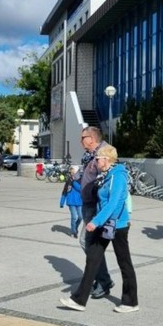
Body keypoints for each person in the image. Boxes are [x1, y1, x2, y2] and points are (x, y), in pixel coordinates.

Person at [60, 145, 138, 313]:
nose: (95, 162)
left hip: (118, 226)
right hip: (104, 225)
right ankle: (79, 300)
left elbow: (114, 203)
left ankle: (131, 302)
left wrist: (96, 221)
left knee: (124, 263)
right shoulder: (106, 175)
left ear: (106, 159)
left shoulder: (118, 176)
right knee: (92, 259)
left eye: (97, 159)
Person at [78, 126, 114, 298]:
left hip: (95, 206)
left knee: (89, 243)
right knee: (91, 244)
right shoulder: (90, 155)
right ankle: (103, 279)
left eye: (83, 138)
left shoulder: (104, 153)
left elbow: (107, 179)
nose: (81, 141)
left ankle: (104, 280)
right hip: (88, 204)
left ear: (91, 139)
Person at [59, 166, 82, 237]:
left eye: (73, 171)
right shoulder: (68, 180)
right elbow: (64, 191)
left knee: (80, 217)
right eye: (71, 172)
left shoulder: (80, 180)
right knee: (74, 217)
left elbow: (81, 189)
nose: (71, 173)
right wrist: (62, 202)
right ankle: (73, 231)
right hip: (71, 201)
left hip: (79, 201)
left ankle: (75, 227)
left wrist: (74, 182)